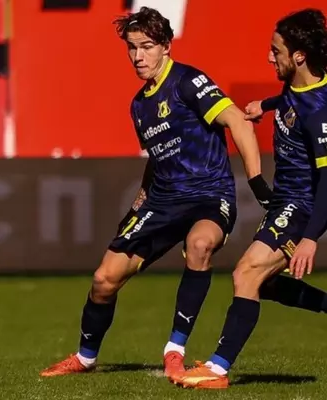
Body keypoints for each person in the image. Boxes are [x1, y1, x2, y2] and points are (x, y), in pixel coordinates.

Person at [39, 7, 274, 381]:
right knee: (104, 280)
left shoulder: (188, 81)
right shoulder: (139, 105)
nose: (138, 56)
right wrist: (141, 198)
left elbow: (238, 123)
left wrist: (257, 182)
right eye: (132, 48)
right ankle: (85, 357)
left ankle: (174, 350)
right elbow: (159, 157)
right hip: (163, 201)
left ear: (166, 45)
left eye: (146, 46)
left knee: (200, 245)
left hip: (209, 194)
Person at [177, 8, 327, 389]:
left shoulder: (320, 112)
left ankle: (217, 370)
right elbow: (293, 101)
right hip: (284, 201)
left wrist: (309, 238)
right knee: (266, 284)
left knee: (246, 273)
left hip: (301, 207)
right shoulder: (297, 87)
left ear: (299, 56)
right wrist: (267, 105)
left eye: (276, 51)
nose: (268, 57)